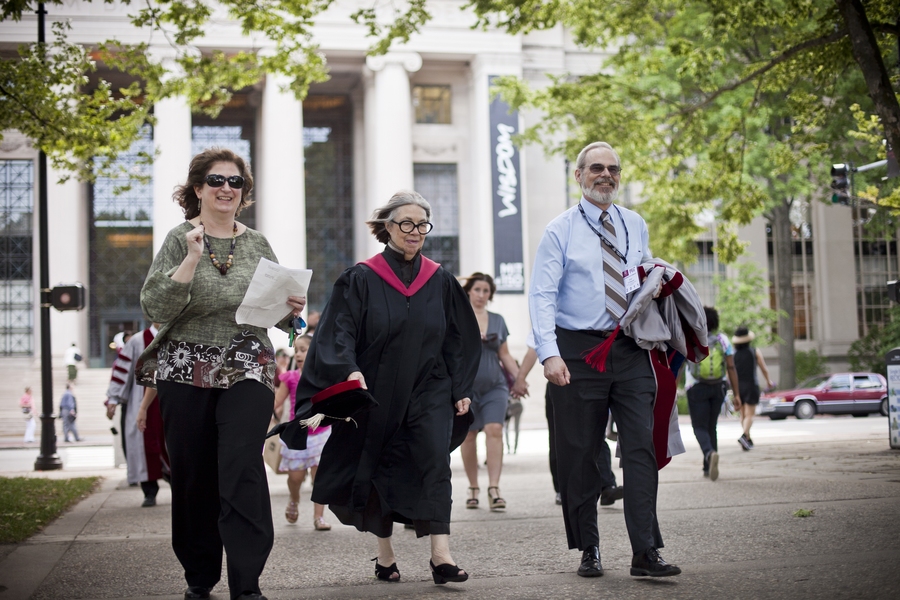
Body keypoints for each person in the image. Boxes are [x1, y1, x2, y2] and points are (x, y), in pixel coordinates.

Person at [137, 147, 306, 600]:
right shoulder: (179, 238)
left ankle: (247, 582)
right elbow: (156, 308)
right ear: (198, 189)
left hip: (247, 362)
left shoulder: (257, 244)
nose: (227, 188)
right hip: (183, 366)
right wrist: (191, 259)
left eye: (235, 182)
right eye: (217, 181)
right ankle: (200, 576)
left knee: (241, 466)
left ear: (243, 192)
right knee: (193, 474)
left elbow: (280, 312)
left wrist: (294, 313)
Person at [295, 190, 480, 585]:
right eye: (406, 223)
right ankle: (385, 554)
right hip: (376, 388)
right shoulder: (361, 278)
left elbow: (458, 338)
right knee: (375, 465)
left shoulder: (441, 280)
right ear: (388, 227)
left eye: (422, 225)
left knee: (434, 459)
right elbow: (339, 330)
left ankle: (441, 555)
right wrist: (347, 369)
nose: (415, 232)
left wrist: (461, 385)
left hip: (430, 386)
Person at [529, 141, 680, 579]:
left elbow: (636, 275)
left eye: (613, 168)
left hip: (631, 347)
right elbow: (542, 294)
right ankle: (589, 549)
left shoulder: (635, 223)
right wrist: (549, 354)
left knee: (641, 449)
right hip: (577, 351)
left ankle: (645, 552)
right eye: (596, 168)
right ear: (578, 175)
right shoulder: (560, 230)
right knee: (580, 455)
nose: (606, 175)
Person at [512, 341, 624, 508]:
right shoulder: (551, 316)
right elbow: (534, 348)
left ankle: (607, 486)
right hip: (560, 382)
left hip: (590, 378)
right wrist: (520, 379)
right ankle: (561, 488)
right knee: (560, 438)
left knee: (596, 435)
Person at [459, 272, 518, 511]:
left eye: (486, 291)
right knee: (470, 434)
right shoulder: (460, 318)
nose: (481, 295)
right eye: (477, 290)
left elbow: (504, 354)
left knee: (495, 429)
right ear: (468, 292)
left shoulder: (498, 320)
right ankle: (473, 486)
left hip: (495, 385)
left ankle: (494, 488)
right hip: (466, 386)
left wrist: (519, 378)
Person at [105, 324, 170, 507]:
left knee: (172, 447)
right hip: (140, 401)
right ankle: (149, 492)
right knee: (144, 448)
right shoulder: (137, 341)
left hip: (169, 403)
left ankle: (178, 487)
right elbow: (122, 371)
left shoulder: (176, 335)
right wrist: (113, 398)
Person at [273, 334, 332, 530]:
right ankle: (294, 499)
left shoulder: (323, 376)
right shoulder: (289, 378)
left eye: (303, 350)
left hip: (321, 435)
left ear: (314, 351)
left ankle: (319, 517)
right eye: (296, 350)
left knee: (319, 477)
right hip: (297, 435)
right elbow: (276, 402)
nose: (297, 354)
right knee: (296, 478)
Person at [685, 307, 742, 481]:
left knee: (699, 427)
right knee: (711, 426)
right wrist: (737, 394)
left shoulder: (691, 338)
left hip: (696, 387)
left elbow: (680, 365)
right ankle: (707, 466)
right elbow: (731, 367)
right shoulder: (722, 340)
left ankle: (709, 454)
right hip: (718, 387)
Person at [732, 326, 773, 451]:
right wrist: (768, 381)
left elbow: (730, 373)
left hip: (738, 387)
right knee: (750, 415)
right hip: (751, 385)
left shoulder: (733, 355)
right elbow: (763, 368)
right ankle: (744, 436)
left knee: (743, 415)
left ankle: (748, 440)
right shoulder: (754, 351)